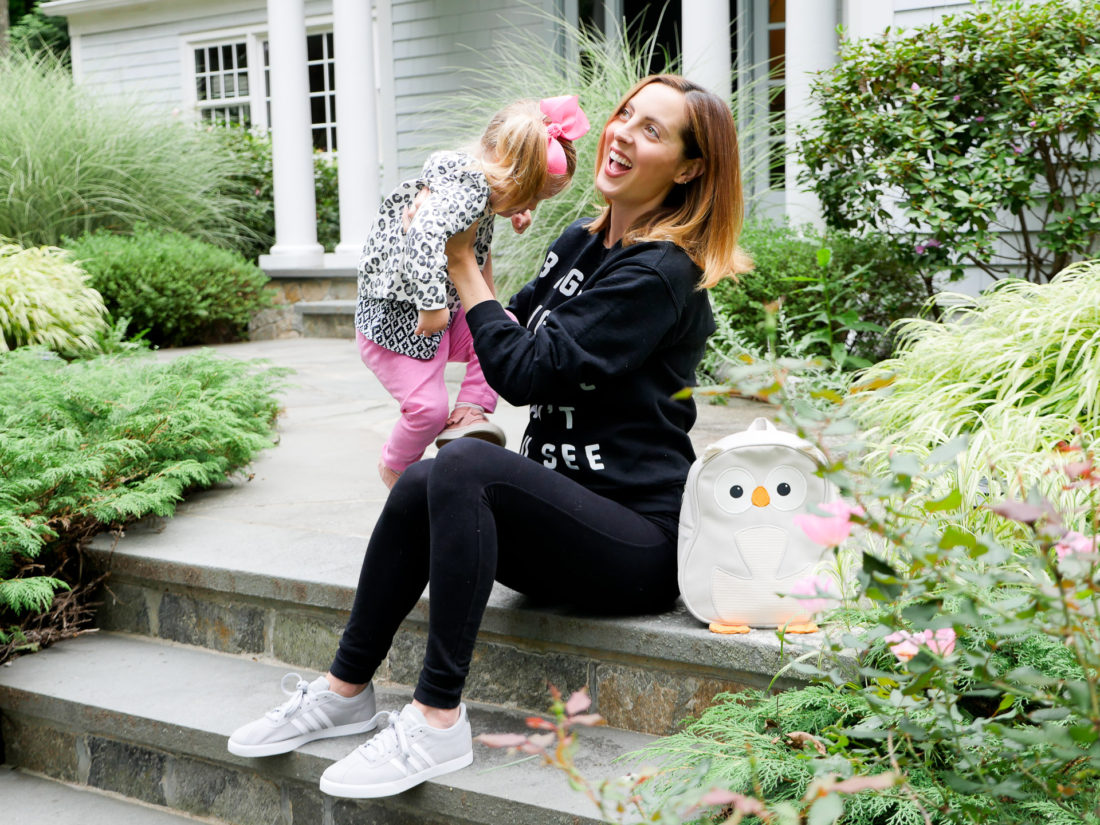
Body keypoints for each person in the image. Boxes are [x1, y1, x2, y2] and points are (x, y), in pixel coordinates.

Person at [227, 74, 752, 799]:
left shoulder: (663, 271)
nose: (623, 132)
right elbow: (504, 327)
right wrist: (437, 242)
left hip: (634, 541)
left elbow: (524, 367)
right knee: (425, 477)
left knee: (466, 467)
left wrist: (461, 260)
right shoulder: (581, 242)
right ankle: (345, 690)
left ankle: (437, 718)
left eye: (652, 130)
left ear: (691, 168)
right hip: (557, 523)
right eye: (625, 114)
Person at [354, 95, 590, 489]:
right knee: (428, 410)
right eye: (531, 194)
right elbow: (423, 239)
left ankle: (470, 410)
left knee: (504, 327)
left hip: (442, 313)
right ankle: (395, 466)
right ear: (509, 175)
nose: (532, 205)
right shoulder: (462, 193)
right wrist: (430, 306)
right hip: (399, 321)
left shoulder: (479, 182)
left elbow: (478, 213)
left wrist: (515, 207)